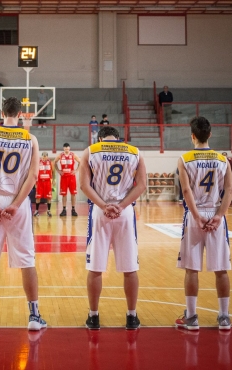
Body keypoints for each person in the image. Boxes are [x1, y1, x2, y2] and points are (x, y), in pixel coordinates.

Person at [0, 97, 45, 332]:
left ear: (1, 111)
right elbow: (32, 177)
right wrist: (16, 203)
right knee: (27, 260)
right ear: (21, 113)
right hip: (19, 202)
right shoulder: (30, 139)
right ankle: (34, 317)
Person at [80, 125, 146, 330]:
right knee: (130, 268)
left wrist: (103, 206)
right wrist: (122, 206)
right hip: (124, 212)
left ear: (100, 138)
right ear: (118, 138)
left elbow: (84, 185)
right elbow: (142, 185)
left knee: (96, 267)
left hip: (100, 211)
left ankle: (94, 317)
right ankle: (131, 316)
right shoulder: (135, 152)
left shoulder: (91, 151)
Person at [174, 117, 232, 331]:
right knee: (221, 269)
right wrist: (219, 215)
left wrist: (198, 216)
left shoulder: (185, 159)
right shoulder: (222, 159)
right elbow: (229, 190)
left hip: (195, 214)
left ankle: (191, 317)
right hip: (216, 213)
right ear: (210, 134)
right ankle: (224, 317)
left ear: (192, 136)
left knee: (191, 269)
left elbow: (187, 191)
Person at [56, 143, 80, 217]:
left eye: (67, 148)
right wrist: (58, 170)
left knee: (73, 194)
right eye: (65, 148)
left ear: (69, 148)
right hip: (64, 177)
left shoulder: (73, 155)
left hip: (71, 177)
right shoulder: (60, 155)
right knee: (64, 194)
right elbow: (54, 163)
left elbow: (80, 162)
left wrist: (76, 170)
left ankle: (73, 210)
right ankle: (64, 210)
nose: (66, 150)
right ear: (63, 148)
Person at [35, 152, 53, 217]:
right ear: (41, 156)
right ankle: (36, 211)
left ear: (47, 157)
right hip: (40, 182)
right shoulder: (38, 162)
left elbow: (52, 171)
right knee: (38, 197)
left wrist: (53, 181)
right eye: (43, 156)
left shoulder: (50, 162)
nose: (44, 158)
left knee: (49, 197)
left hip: (47, 182)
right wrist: (35, 182)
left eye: (45, 156)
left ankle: (48, 211)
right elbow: (35, 171)